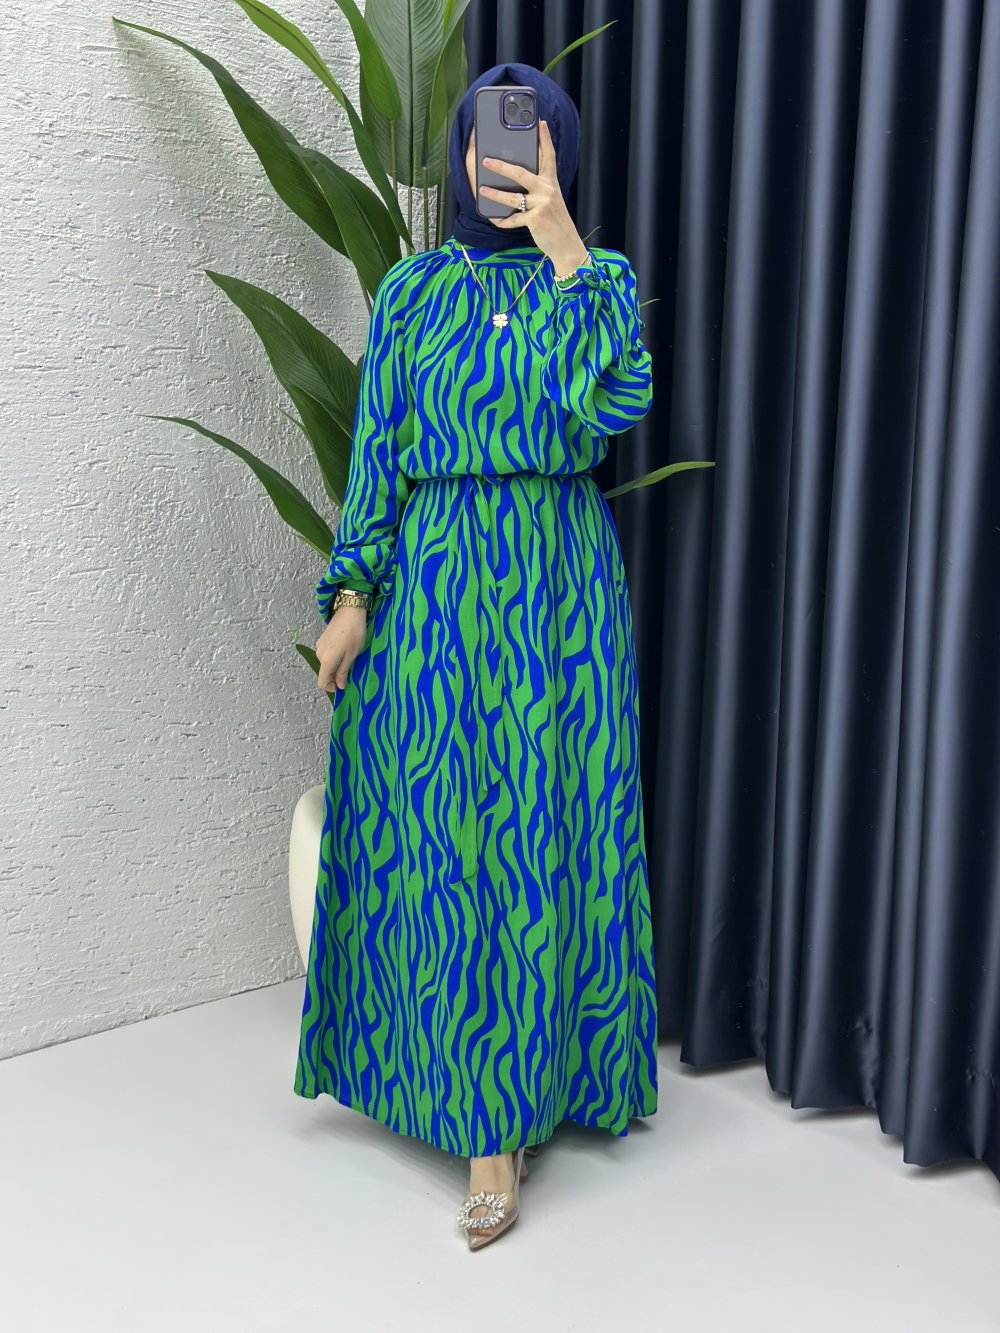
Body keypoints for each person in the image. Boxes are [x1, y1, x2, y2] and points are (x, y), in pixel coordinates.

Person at [293, 60, 658, 1251]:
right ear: (461, 151)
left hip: (555, 590)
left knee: (547, 823)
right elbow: (381, 449)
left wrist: (564, 248)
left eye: (533, 140)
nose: (505, 159)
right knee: (444, 836)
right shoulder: (411, 292)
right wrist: (352, 595)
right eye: (492, 140)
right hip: (438, 590)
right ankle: (464, 1102)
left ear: (560, 154)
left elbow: (613, 405)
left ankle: (530, 1096)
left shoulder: (593, 281)